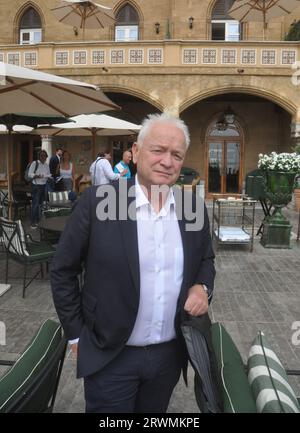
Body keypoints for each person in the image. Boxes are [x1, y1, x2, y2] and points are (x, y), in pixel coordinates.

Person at [51, 113, 215, 413]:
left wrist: (202, 287)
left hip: (168, 356)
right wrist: (76, 335)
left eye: (176, 154)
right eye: (158, 150)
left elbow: (206, 258)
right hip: (110, 354)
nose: (167, 161)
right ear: (136, 153)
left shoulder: (192, 208)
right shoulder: (98, 202)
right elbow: (63, 270)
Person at [28, 149, 51, 229]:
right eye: (41, 155)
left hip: (44, 185)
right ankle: (32, 223)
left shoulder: (46, 165)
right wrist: (37, 176)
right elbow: (30, 174)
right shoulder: (35, 163)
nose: (43, 157)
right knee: (35, 204)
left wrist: (48, 177)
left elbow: (48, 174)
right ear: (39, 156)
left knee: (41, 205)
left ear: (46, 157)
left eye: (44, 155)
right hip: (36, 186)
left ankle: (38, 221)